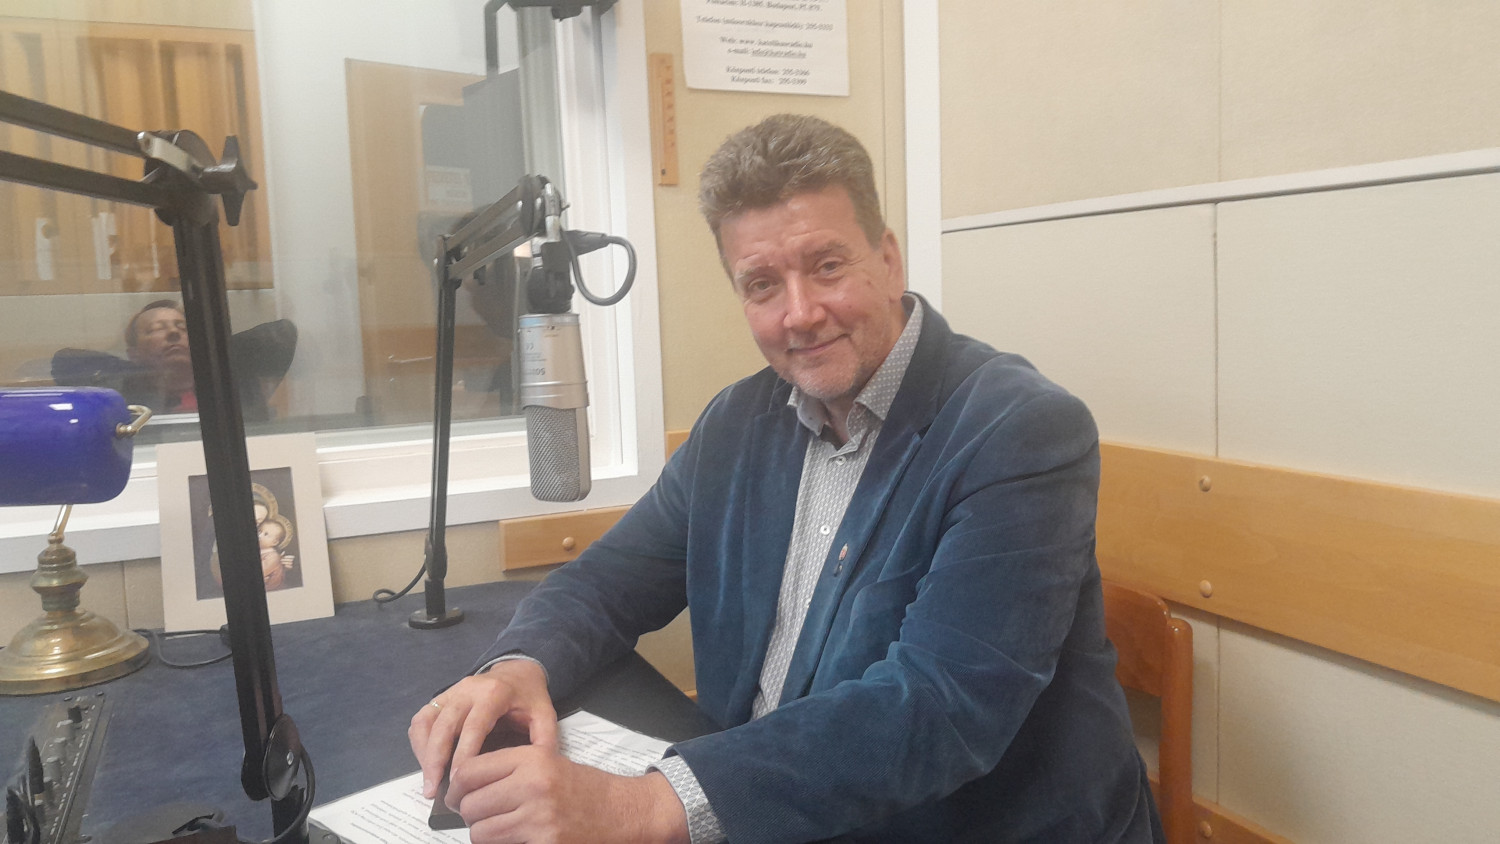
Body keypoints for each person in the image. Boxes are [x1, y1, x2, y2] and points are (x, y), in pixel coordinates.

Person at [409, 114, 1161, 843]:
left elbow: (942, 708)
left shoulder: (1018, 428)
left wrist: (644, 806)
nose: (799, 314)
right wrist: (518, 665)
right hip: (774, 809)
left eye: (827, 266)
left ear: (889, 260)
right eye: (763, 284)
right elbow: (606, 582)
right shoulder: (735, 425)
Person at [51, 299, 298, 422]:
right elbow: (63, 362)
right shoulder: (124, 395)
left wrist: (210, 351)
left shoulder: (231, 385)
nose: (173, 333)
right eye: (156, 329)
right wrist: (144, 371)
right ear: (134, 353)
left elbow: (283, 334)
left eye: (182, 327)